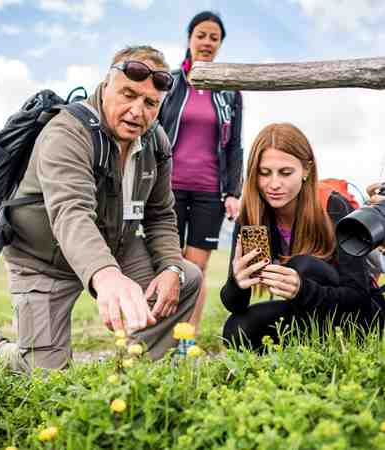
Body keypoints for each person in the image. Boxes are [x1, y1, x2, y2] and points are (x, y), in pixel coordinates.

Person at [0, 45, 202, 373]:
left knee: (185, 278)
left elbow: (159, 214)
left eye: (150, 103)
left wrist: (171, 267)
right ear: (105, 87)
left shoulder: (156, 142)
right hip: (43, 258)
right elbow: (71, 212)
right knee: (48, 375)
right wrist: (106, 275)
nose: (137, 111)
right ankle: (2, 350)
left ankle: (135, 372)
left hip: (116, 244)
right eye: (128, 94)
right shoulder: (66, 132)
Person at [221, 123, 384, 350]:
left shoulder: (333, 205)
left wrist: (302, 289)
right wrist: (237, 283)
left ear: (306, 170)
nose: (274, 184)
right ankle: (295, 357)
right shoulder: (252, 216)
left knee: (303, 265)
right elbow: (235, 304)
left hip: (359, 315)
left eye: (286, 173)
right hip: (306, 313)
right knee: (236, 328)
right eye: (264, 173)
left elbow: (357, 296)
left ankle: (328, 348)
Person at [159, 11, 243, 330]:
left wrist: (233, 191)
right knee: (167, 264)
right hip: (168, 189)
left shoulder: (229, 90)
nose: (207, 42)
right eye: (201, 35)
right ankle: (161, 335)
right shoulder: (169, 82)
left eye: (214, 37)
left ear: (220, 44)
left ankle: (186, 340)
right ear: (189, 38)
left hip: (209, 192)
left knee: (196, 270)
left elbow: (235, 144)